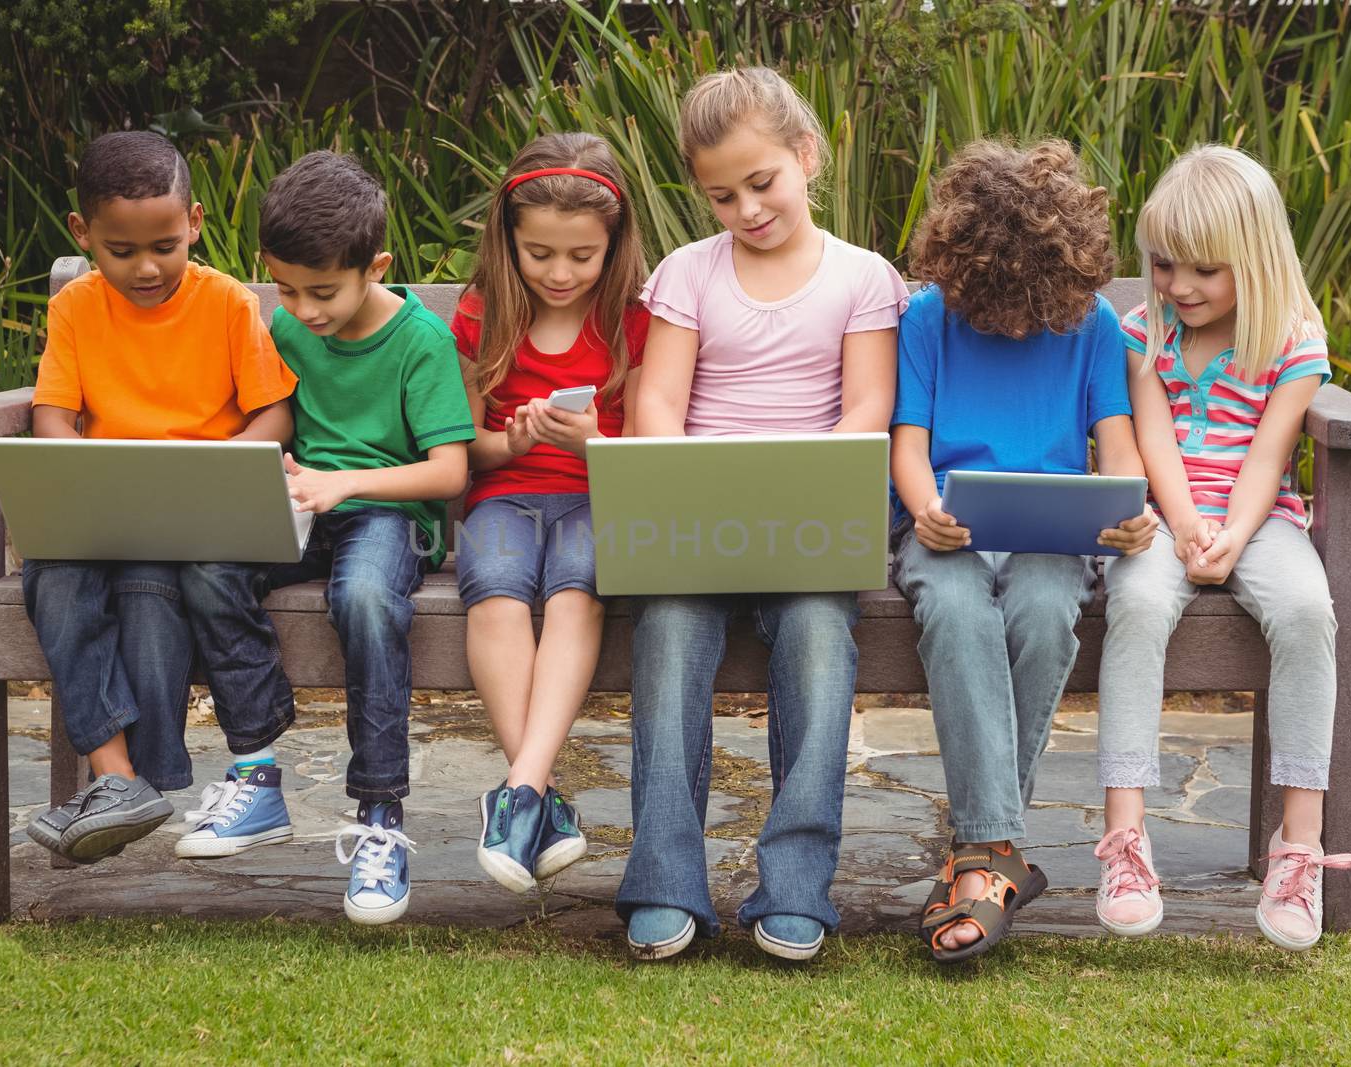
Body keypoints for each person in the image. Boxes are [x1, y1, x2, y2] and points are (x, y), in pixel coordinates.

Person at [617, 67, 908, 962]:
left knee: (820, 639)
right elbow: (656, 403)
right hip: (700, 523)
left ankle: (795, 885)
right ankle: (665, 880)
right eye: (721, 195)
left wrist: (801, 484)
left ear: (807, 155)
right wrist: (686, 481)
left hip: (812, 525)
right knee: (665, 633)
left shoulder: (862, 278)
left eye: (762, 182)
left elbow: (867, 409)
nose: (745, 209)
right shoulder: (688, 274)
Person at [177, 151, 475, 925]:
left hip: (386, 512)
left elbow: (448, 472)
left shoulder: (420, 342)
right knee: (208, 567)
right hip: (303, 504)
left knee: (366, 597)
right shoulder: (284, 326)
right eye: (284, 288)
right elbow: (271, 416)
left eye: (322, 291)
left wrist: (345, 481)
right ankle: (257, 771)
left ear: (375, 265)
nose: (302, 310)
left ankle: (379, 814)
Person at [890, 140, 1158, 964]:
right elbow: (908, 444)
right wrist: (925, 508)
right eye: (992, 302)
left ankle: (980, 857)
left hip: (1052, 535)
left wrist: (1131, 510)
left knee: (1047, 611)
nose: (1008, 320)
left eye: (1025, 302)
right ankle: (999, 856)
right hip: (949, 529)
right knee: (956, 607)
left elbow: (1118, 447)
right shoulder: (930, 316)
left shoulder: (1093, 324)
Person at [1094, 145, 1351, 951]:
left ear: (1256, 259)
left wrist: (1234, 534)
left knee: (1310, 609)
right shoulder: (1145, 332)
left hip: (1258, 516)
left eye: (1205, 270)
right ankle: (1126, 840)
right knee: (1134, 601)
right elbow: (1154, 439)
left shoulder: (1292, 340)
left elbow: (1270, 457)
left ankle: (1298, 845)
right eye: (1165, 264)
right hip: (1168, 515)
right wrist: (1183, 526)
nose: (1179, 286)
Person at [22, 131, 297, 863]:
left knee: (151, 590)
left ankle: (138, 780)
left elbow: (274, 413)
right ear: (83, 235)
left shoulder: (227, 304)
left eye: (166, 245)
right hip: (111, 512)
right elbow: (52, 411)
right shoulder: (77, 308)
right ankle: (118, 778)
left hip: (196, 522)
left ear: (197, 223)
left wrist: (223, 466)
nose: (147, 267)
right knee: (53, 574)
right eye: (121, 251)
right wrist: (78, 468)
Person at [451, 133, 651, 892]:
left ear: (613, 243)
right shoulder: (480, 315)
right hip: (505, 493)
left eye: (580, 256)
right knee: (495, 590)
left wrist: (596, 437)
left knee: (576, 590)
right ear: (509, 240)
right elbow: (468, 444)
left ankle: (520, 792)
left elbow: (652, 442)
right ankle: (538, 797)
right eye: (539, 254)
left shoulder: (634, 320)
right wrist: (511, 439)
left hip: (601, 497)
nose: (560, 272)